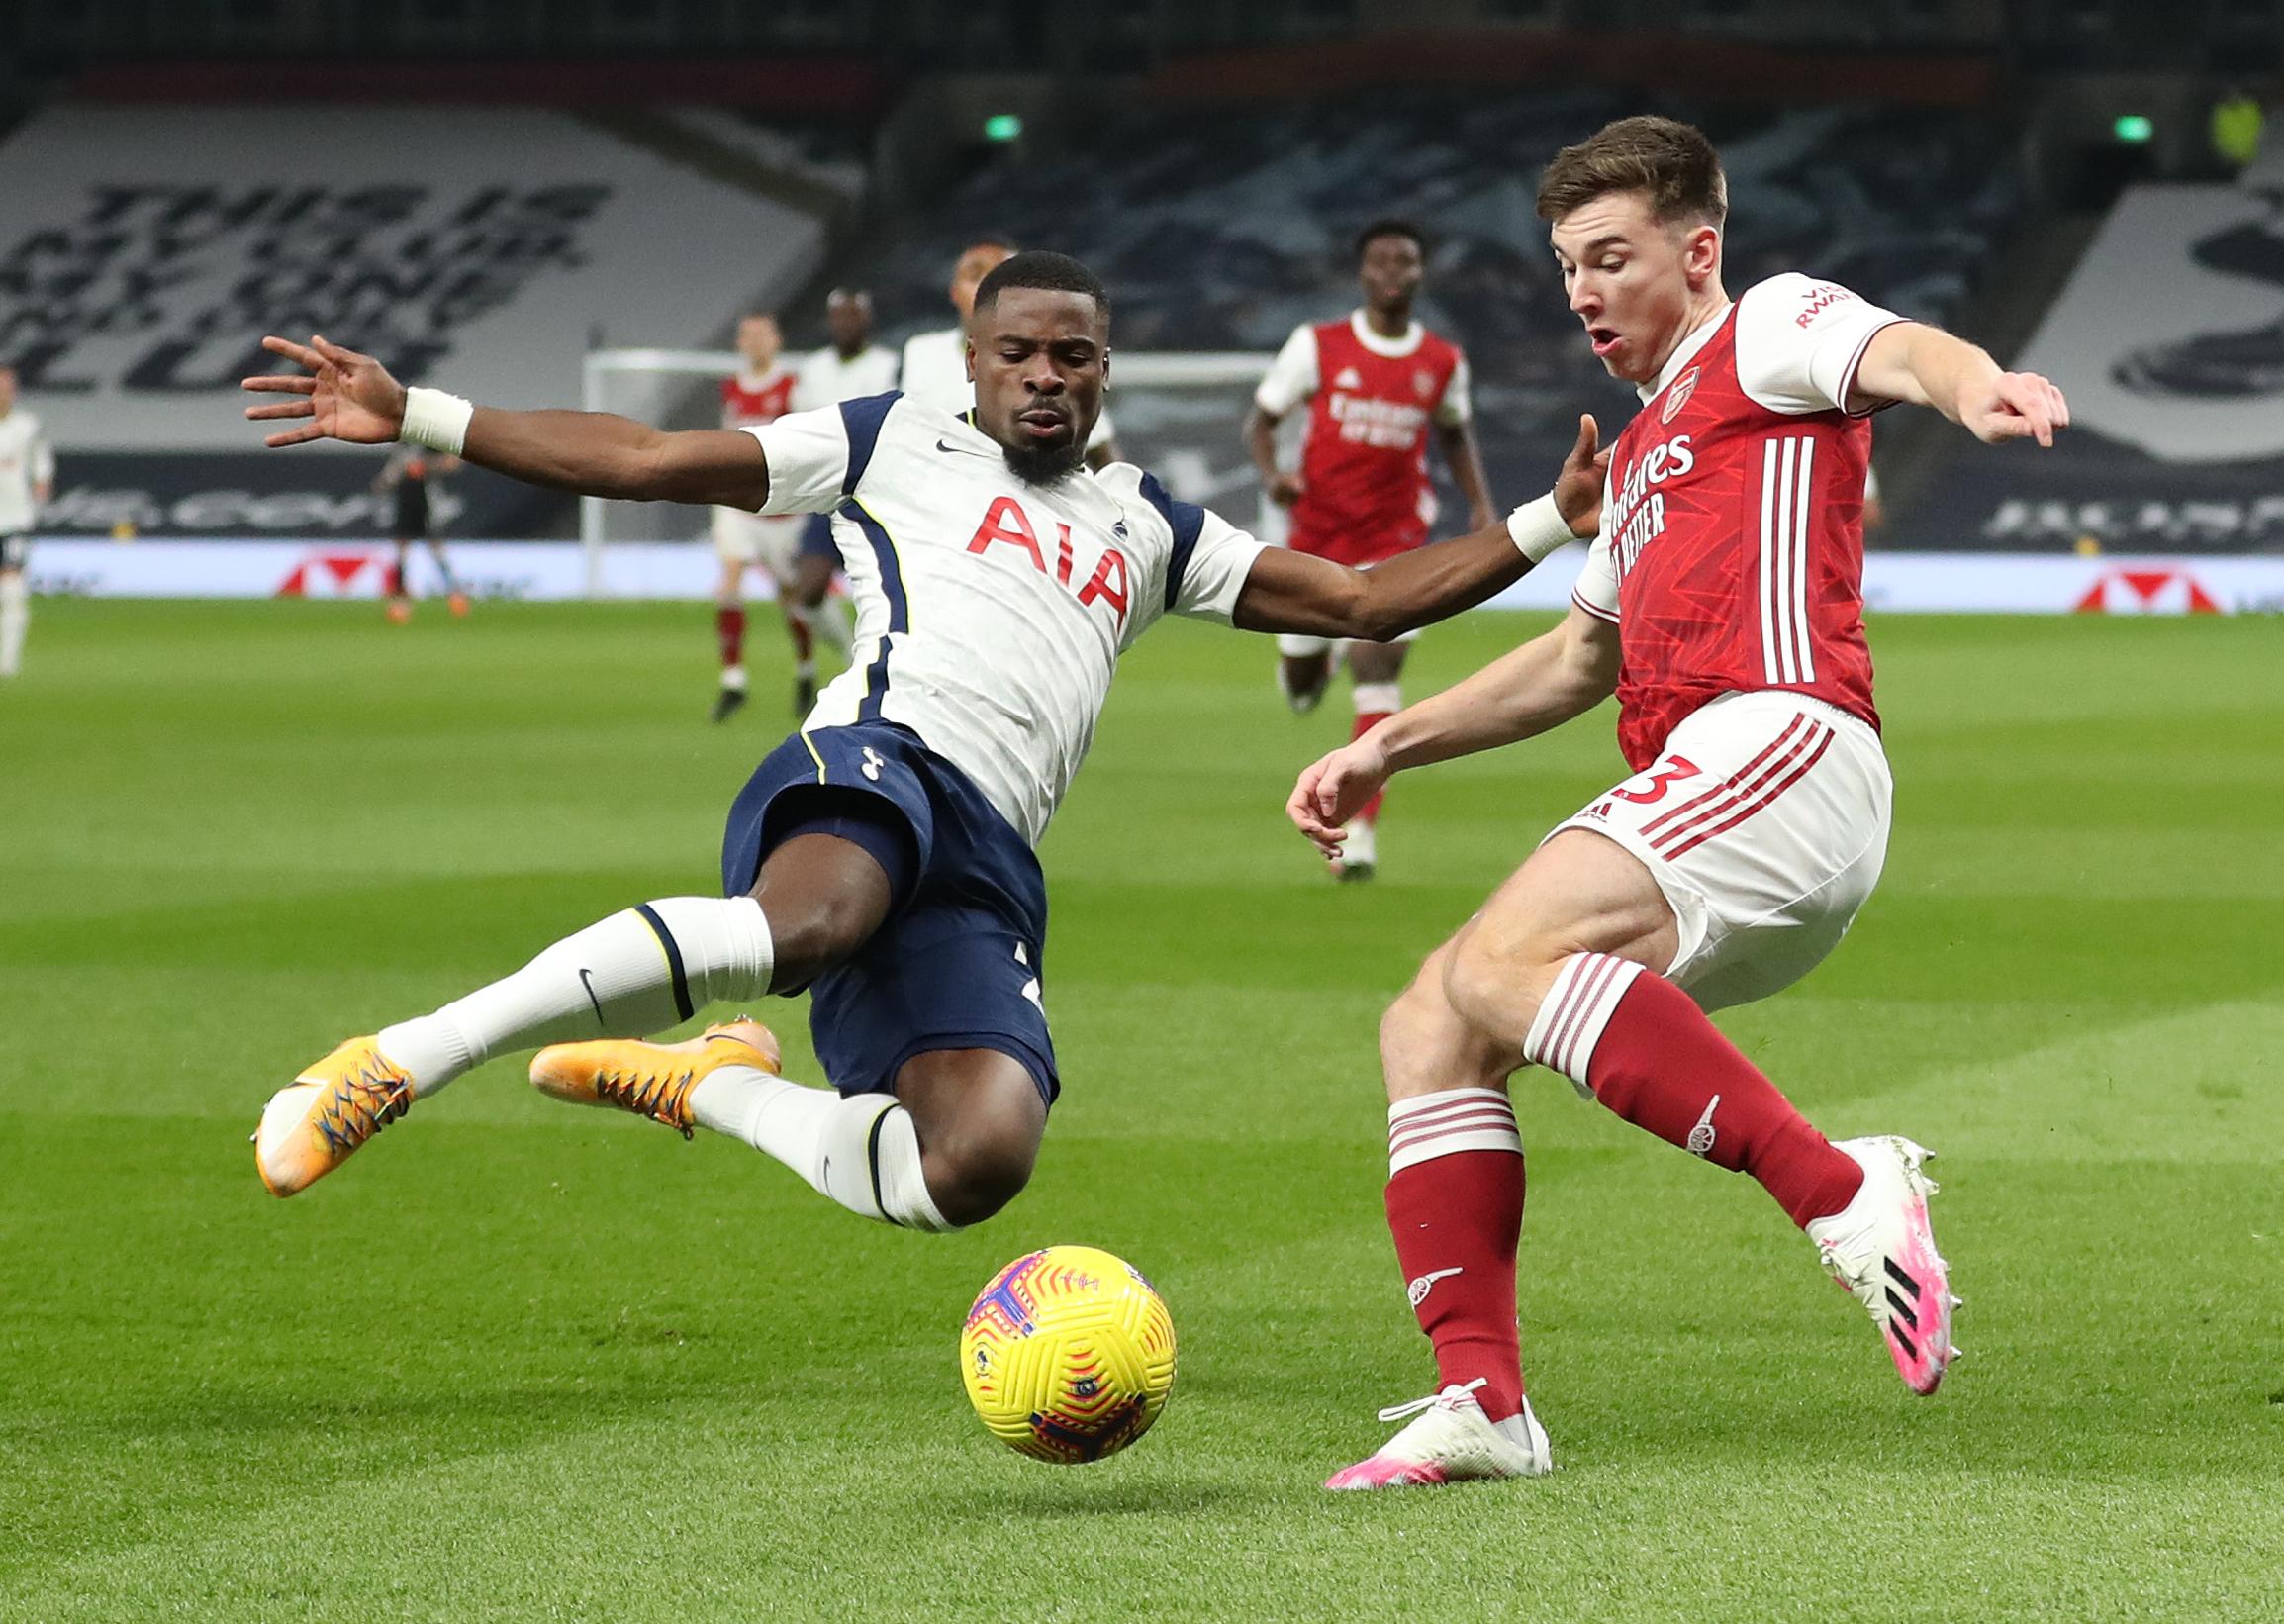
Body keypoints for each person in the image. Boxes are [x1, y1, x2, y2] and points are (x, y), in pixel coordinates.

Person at [238, 252, 1608, 1242]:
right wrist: (420, 412)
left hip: (990, 853)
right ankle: (407, 1056)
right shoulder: (888, 440)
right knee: (815, 918)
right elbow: (649, 458)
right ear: (974, 362)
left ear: (1103, 373)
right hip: (876, 760)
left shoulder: (1152, 526)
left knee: (978, 1156)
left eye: (1072, 355)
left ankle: (714, 1088)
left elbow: (1362, 598)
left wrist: (1547, 521)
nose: (1044, 376)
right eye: (1018, 352)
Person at [1286, 117, 2070, 1488]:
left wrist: (1977, 384)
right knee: (1430, 1018)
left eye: (1609, 257)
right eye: (1563, 267)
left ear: (1695, 250)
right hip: (1700, 789)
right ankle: (1483, 1402)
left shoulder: (1763, 329)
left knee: (1498, 960)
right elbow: (1575, 661)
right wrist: (1383, 747)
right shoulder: (1642, 452)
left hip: (1785, 740)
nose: (1581, 290)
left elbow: (1900, 352)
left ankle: (1844, 1187)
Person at [1247, 221, 1496, 881]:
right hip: (1316, 541)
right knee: (1301, 687)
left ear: (1420, 273)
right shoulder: (1318, 345)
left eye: (1406, 260)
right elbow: (1262, 420)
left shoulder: (1442, 362)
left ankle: (1359, 833)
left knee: (1379, 668)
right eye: (1381, 260)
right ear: (1362, 273)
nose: (1393, 270)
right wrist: (1273, 475)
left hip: (1396, 544)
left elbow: (1455, 436)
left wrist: (1481, 505)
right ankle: (1308, 668)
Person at [902, 238, 1123, 469]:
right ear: (954, 291)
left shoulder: (1061, 367)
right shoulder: (920, 353)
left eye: (1000, 275)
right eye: (975, 275)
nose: (1044, 377)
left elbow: (1102, 457)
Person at [787, 288, 899, 715]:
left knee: (887, 593)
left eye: (853, 317)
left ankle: (890, 672)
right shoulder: (813, 370)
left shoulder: (888, 366)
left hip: (876, 496)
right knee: (808, 590)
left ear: (867, 321)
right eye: (839, 317)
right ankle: (857, 662)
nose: (845, 325)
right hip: (829, 495)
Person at [709, 313, 818, 723]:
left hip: (782, 510)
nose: (754, 342)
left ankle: (805, 669)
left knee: (790, 595)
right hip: (739, 505)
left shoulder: (793, 389)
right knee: (729, 579)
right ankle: (733, 679)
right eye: (747, 336)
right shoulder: (732, 390)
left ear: (776, 341)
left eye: (762, 335)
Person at [370, 444, 467, 622]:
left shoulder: (430, 445)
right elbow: (388, 476)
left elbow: (453, 463)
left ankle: (455, 594)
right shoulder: (402, 447)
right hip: (404, 504)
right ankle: (400, 600)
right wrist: (387, 479)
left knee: (436, 550)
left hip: (426, 505)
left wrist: (426, 465)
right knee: (401, 553)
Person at [0, 366, 54, 679]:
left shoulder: (27, 426)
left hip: (13, 519)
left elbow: (41, 460)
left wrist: (41, 483)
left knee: (12, 590)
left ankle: (8, 663)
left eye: (7, 387)